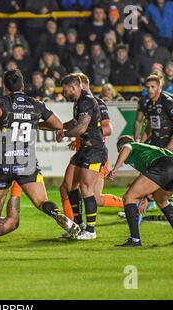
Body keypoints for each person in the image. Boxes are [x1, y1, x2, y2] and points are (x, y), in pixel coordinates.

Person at [0, 69, 81, 256]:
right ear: (23, 86)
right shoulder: (36, 104)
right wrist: (36, 124)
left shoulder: (1, 102)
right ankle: (58, 215)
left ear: (5, 87)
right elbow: (58, 124)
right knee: (41, 201)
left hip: (5, 162)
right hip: (27, 162)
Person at [53, 74, 109, 240]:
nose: (63, 92)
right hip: (84, 149)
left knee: (86, 188)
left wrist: (64, 134)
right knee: (68, 185)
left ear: (74, 87)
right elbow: (75, 122)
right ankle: (79, 225)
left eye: (65, 89)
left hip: (95, 150)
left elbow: (82, 127)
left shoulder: (87, 101)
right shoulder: (78, 101)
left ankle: (91, 231)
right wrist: (59, 127)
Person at [108, 136, 173, 246]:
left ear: (120, 148)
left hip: (163, 165)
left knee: (129, 197)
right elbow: (147, 180)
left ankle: (135, 240)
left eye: (119, 151)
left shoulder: (131, 146)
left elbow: (127, 147)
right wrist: (145, 198)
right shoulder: (143, 152)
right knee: (162, 201)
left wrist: (115, 169)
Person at [134, 75, 173, 211]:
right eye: (148, 87)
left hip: (169, 143)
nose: (150, 90)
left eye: (153, 87)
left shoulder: (167, 101)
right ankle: (143, 204)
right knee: (148, 173)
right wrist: (141, 143)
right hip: (155, 143)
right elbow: (148, 124)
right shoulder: (146, 102)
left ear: (160, 87)